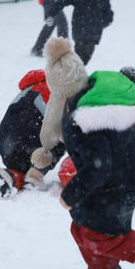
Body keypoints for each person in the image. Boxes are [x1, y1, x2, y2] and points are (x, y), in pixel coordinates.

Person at [59, 69, 135, 269]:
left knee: (101, 235)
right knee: (81, 227)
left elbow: (99, 166)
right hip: (110, 181)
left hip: (115, 186)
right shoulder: (103, 108)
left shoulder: (89, 119)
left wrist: (72, 193)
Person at [0, 70, 65, 198]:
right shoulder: (63, 92)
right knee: (66, 136)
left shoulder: (32, 86)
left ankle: (11, 176)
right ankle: (35, 174)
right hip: (33, 139)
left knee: (19, 165)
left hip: (5, 141)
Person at [25, 37, 88, 188]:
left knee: (61, 134)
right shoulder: (88, 93)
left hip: (24, 138)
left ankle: (33, 172)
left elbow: (50, 128)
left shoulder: (55, 98)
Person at [44, 0, 113, 65]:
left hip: (84, 29)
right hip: (86, 30)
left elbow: (108, 13)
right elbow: (64, 0)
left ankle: (74, 71)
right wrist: (50, 13)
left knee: (81, 58)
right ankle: (74, 71)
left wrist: (101, 24)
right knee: (82, 57)